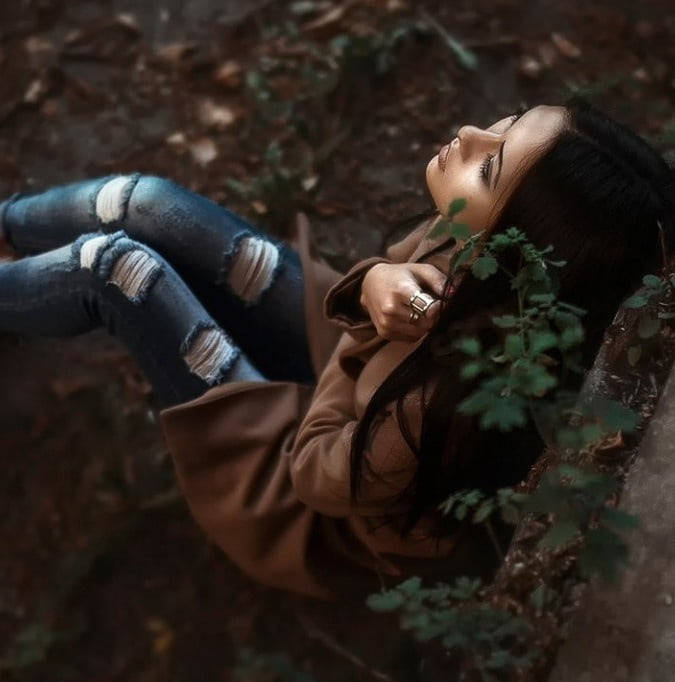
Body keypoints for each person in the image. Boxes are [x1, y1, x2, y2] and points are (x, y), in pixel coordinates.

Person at [0, 99, 673, 600]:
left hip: (295, 474)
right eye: (506, 121)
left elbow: (312, 472)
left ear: (514, 249)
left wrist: (367, 338)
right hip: (346, 368)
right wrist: (377, 280)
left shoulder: (435, 414)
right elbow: (368, 300)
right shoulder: (479, 252)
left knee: (115, 270)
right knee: (143, 203)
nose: (470, 134)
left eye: (490, 162)